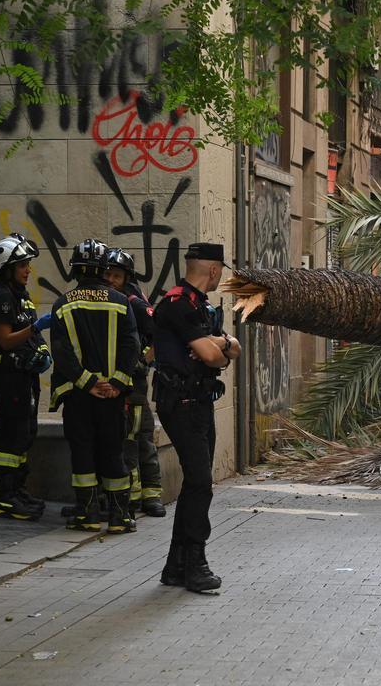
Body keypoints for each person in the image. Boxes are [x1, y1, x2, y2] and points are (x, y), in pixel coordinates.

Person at [153, 242, 241, 593]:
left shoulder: (200, 305)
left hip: (199, 401)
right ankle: (195, 564)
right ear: (214, 270)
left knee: (195, 482)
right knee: (201, 482)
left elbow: (230, 347)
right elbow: (214, 356)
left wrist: (219, 344)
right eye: (221, 272)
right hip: (181, 402)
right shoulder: (178, 304)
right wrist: (219, 347)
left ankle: (176, 566)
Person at [50, 239, 140, 534]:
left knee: (83, 451)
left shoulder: (62, 304)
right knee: (113, 451)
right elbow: (131, 346)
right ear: (103, 269)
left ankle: (87, 514)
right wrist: (115, 383)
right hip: (111, 397)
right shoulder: (121, 302)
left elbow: (61, 353)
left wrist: (88, 383)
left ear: (75, 269)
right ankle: (119, 517)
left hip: (78, 395)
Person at [0, 234, 52, 521]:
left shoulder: (17, 293)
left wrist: (41, 350)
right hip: (9, 376)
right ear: (7, 267)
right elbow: (5, 340)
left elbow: (25, 332)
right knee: (13, 433)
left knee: (24, 431)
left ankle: (12, 489)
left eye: (28, 264)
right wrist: (37, 327)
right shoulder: (2, 296)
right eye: (22, 265)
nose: (28, 270)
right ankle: (4, 496)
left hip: (20, 374)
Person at [102, 247, 165, 517]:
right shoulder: (105, 300)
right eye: (107, 274)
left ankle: (148, 496)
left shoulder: (134, 303)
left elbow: (161, 333)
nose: (110, 280)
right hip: (115, 383)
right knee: (128, 439)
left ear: (126, 278)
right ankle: (137, 496)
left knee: (140, 439)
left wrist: (143, 361)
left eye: (116, 276)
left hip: (134, 385)